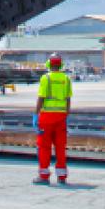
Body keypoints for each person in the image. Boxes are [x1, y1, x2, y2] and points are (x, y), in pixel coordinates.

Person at [33, 54, 73, 186]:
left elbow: (41, 97)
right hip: (61, 117)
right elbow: (68, 100)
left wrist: (35, 114)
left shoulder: (46, 78)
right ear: (61, 65)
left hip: (46, 117)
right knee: (60, 147)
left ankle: (44, 176)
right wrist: (66, 115)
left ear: (49, 64)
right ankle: (62, 177)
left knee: (44, 147)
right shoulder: (66, 79)